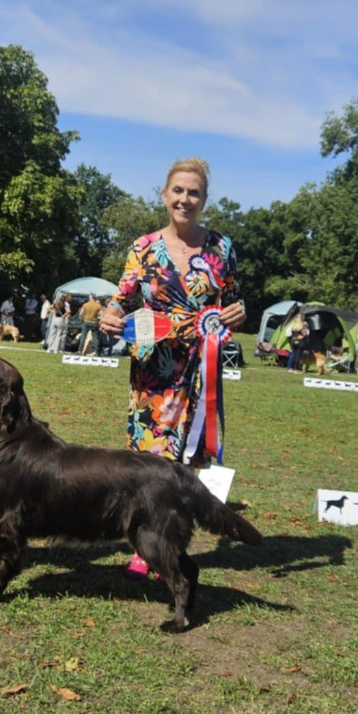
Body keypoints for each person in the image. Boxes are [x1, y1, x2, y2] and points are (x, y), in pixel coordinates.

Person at [100, 157, 246, 577]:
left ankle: (171, 542)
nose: (185, 199)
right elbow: (121, 298)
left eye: (194, 192)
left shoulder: (222, 248)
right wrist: (109, 315)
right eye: (178, 191)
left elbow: (232, 300)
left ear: (204, 199)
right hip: (153, 369)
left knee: (187, 458)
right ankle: (144, 546)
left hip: (200, 367)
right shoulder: (143, 247)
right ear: (164, 195)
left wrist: (237, 313)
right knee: (148, 460)